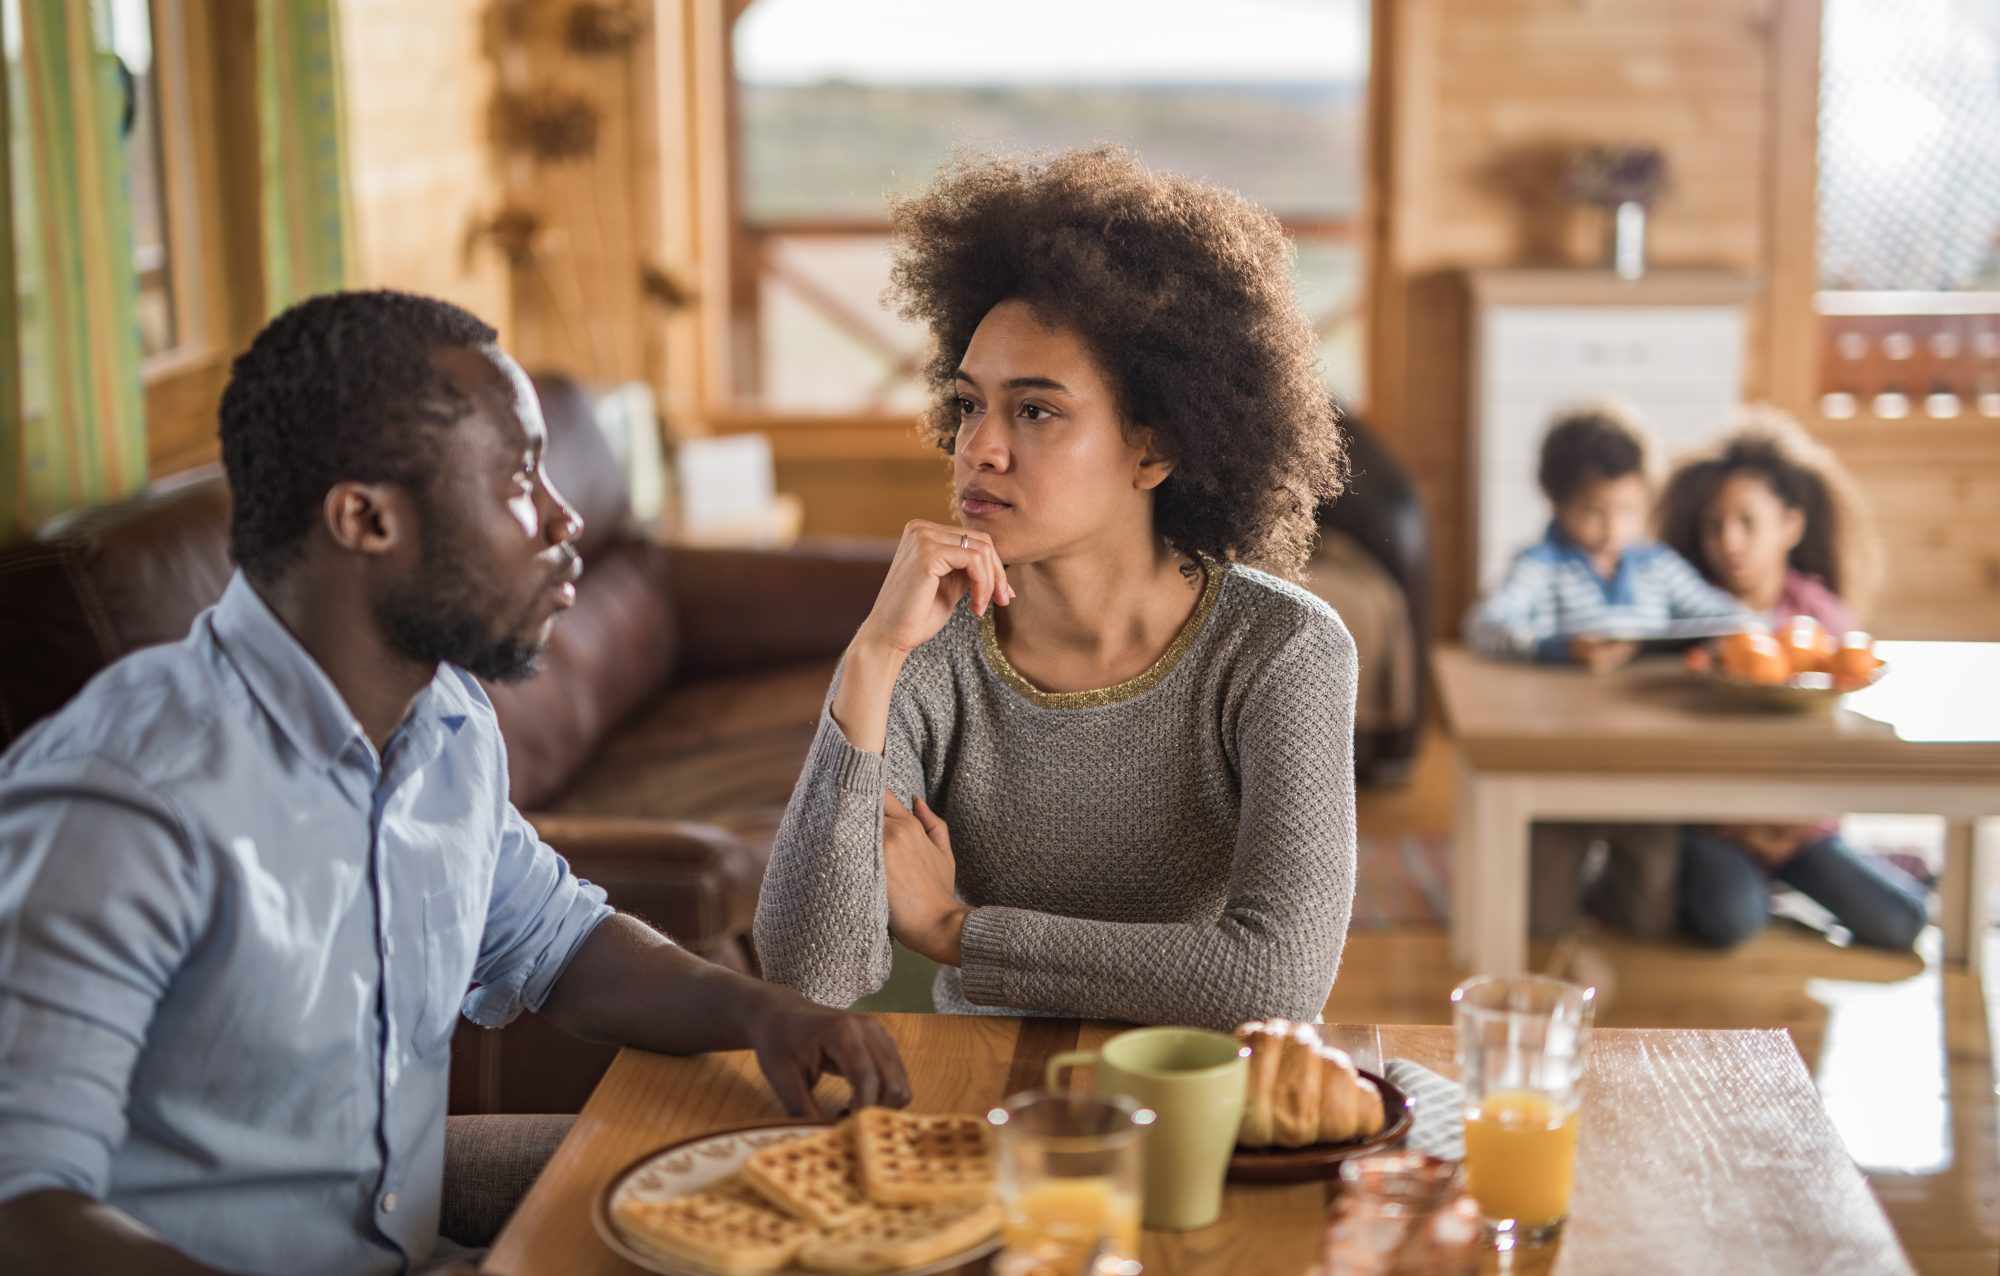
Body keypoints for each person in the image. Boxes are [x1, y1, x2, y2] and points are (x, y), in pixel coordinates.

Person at [0, 290, 909, 1276]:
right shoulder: (125, 800)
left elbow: (557, 940)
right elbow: (23, 1206)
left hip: (420, 1242)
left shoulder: (443, 719)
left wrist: (761, 1012)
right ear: (365, 518)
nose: (562, 518)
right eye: (520, 476)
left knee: (839, 1211)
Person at [752, 148, 1357, 1031]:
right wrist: (872, 656)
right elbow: (812, 975)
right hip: (981, 1098)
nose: (979, 449)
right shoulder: (930, 648)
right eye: (968, 405)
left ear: (1154, 448)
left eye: (1035, 411)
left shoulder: (1280, 652)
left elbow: (1273, 978)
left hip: (1199, 1102)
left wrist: (959, 931)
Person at [1657, 410, 1926, 951]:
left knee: (1903, 921)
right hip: (1715, 826)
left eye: (1746, 522)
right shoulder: (1689, 617)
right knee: (1733, 918)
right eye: (1715, 525)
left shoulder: (1822, 618)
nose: (1728, 541)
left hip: (1802, 831)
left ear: (1791, 526)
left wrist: (1793, 821)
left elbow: (1847, 729)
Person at [1467, 404, 1747, 673]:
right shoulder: (1539, 566)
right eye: (1593, 512)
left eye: (1627, 511)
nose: (1612, 528)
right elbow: (1485, 627)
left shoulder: (1658, 565)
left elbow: (1733, 617)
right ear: (1558, 504)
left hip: (1646, 709)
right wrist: (1556, 649)